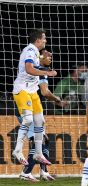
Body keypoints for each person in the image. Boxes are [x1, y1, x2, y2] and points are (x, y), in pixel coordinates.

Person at [18, 48, 68, 182]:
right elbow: (45, 92)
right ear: (40, 56)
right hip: (28, 107)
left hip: (30, 107)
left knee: (44, 140)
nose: (50, 56)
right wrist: (58, 100)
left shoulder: (38, 70)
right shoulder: (40, 71)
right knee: (40, 140)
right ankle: (26, 172)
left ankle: (43, 171)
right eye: (47, 54)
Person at [12, 29, 56, 166]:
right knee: (28, 119)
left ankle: (38, 153)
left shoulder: (35, 52)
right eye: (44, 38)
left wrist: (44, 58)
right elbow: (29, 69)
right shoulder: (30, 51)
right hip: (22, 89)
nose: (45, 41)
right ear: (37, 40)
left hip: (32, 91)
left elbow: (39, 60)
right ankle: (18, 151)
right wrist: (46, 73)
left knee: (40, 121)